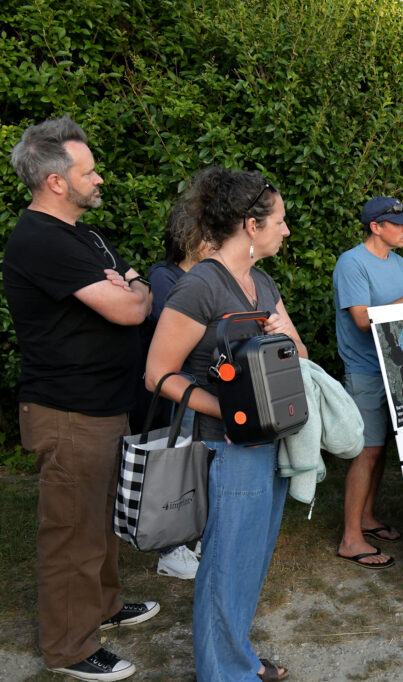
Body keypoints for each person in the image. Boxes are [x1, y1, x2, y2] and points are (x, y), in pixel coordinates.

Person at [4, 116, 158, 681]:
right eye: (88, 171)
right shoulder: (41, 240)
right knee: (72, 532)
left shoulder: (83, 235)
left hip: (104, 402)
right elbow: (129, 305)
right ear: (55, 182)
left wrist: (131, 284)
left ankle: (105, 608)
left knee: (101, 521)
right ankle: (69, 647)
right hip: (68, 411)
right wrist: (132, 289)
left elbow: (131, 285)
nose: (100, 179)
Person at [147, 166, 303, 681]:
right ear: (250, 225)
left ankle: (237, 658)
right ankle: (222, 674)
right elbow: (157, 375)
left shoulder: (260, 281)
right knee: (224, 568)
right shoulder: (200, 287)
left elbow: (299, 354)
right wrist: (233, 414)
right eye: (279, 221)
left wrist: (285, 332)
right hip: (225, 448)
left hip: (269, 445)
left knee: (250, 564)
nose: (286, 230)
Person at [332, 196, 403, 568]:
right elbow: (363, 320)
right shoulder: (351, 263)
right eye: (399, 224)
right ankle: (350, 538)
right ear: (375, 227)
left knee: (380, 450)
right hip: (365, 369)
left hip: (397, 369)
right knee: (366, 451)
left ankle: (366, 517)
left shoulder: (401, 264)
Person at [133, 203, 214, 580]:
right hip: (175, 390)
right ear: (189, 239)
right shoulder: (164, 277)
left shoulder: (210, 276)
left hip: (204, 383)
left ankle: (190, 534)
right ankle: (169, 549)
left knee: (198, 464)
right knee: (174, 467)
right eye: (207, 234)